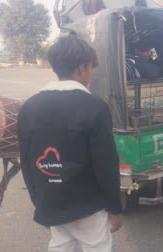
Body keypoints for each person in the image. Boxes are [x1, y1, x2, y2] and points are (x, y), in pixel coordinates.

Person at [17, 35, 123, 252]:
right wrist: (115, 208)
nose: (91, 73)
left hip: (52, 203)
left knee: (61, 247)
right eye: (91, 67)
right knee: (96, 247)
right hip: (90, 207)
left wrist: (40, 206)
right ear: (83, 67)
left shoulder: (29, 107)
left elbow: (27, 163)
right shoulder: (95, 107)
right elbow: (106, 164)